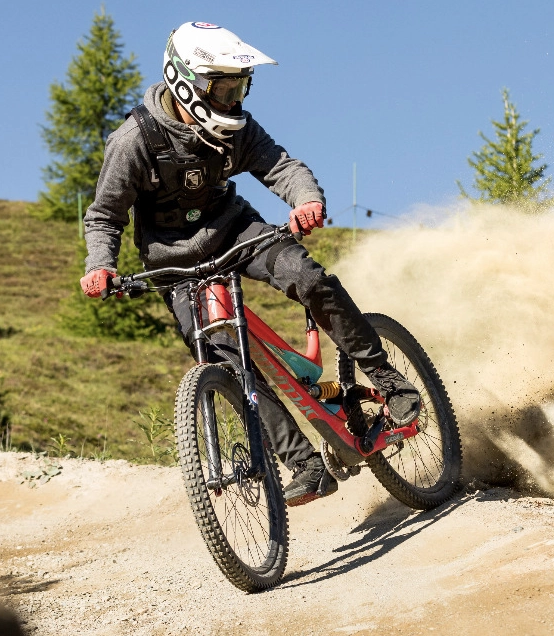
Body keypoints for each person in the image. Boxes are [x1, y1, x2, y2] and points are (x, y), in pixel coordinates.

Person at [78, 21, 419, 506]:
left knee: (307, 276)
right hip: (174, 267)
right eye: (224, 88)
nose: (234, 100)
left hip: (237, 232)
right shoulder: (134, 141)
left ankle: (386, 378)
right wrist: (101, 266)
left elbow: (282, 166)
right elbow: (104, 216)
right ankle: (303, 465)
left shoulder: (236, 128)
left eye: (241, 87)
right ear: (184, 81)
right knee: (228, 363)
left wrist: (305, 200)